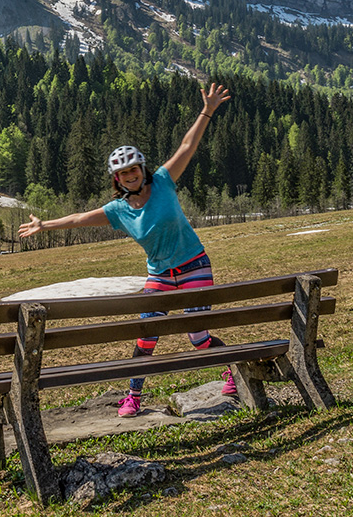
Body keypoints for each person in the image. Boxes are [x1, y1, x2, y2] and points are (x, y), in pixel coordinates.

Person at [17, 82, 236, 417]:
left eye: (133, 169)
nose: (130, 176)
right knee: (146, 334)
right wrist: (44, 225)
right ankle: (133, 397)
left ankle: (228, 372)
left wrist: (207, 110)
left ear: (142, 168)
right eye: (122, 173)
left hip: (194, 266)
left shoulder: (163, 181)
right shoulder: (118, 211)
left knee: (197, 334)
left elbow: (187, 145)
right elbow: (79, 218)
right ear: (116, 179)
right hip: (160, 274)